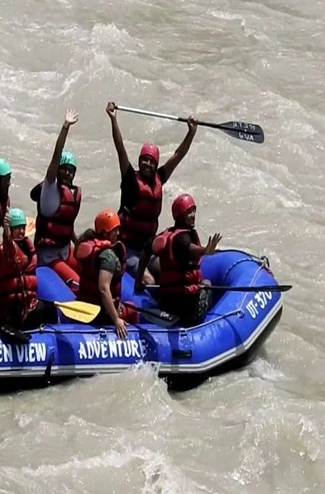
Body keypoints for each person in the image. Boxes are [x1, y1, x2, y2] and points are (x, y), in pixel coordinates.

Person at [105, 101, 198, 285]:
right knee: (148, 279)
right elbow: (120, 149)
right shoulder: (131, 180)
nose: (147, 164)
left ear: (156, 165)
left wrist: (191, 133)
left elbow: (178, 155)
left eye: (151, 161)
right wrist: (114, 120)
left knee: (168, 271)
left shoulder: (159, 178)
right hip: (128, 249)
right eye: (144, 160)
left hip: (148, 248)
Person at [135, 194, 222, 326]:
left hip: (166, 303)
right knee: (207, 283)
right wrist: (205, 251)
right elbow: (189, 249)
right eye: (189, 212)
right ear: (180, 215)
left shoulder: (165, 235)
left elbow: (145, 253)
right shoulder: (183, 239)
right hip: (187, 308)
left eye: (194, 211)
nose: (193, 215)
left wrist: (138, 280)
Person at [29, 109, 81, 292]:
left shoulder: (73, 193)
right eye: (64, 169)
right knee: (78, 285)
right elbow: (55, 156)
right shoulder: (50, 188)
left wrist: (79, 243)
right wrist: (65, 127)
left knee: (92, 273)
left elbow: (68, 224)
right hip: (48, 256)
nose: (67, 173)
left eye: (71, 170)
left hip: (65, 250)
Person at [0, 208, 59, 330]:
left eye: (23, 227)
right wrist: (6, 232)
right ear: (10, 230)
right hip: (10, 311)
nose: (21, 231)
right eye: (17, 228)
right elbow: (8, 248)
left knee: (50, 310)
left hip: (28, 308)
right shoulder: (4, 251)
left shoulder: (28, 248)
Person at [75, 210, 139, 339]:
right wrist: (116, 320)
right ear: (105, 232)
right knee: (132, 310)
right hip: (102, 312)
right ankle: (136, 342)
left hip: (87, 307)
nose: (118, 233)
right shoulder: (107, 256)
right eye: (115, 230)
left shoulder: (89, 246)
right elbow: (103, 289)